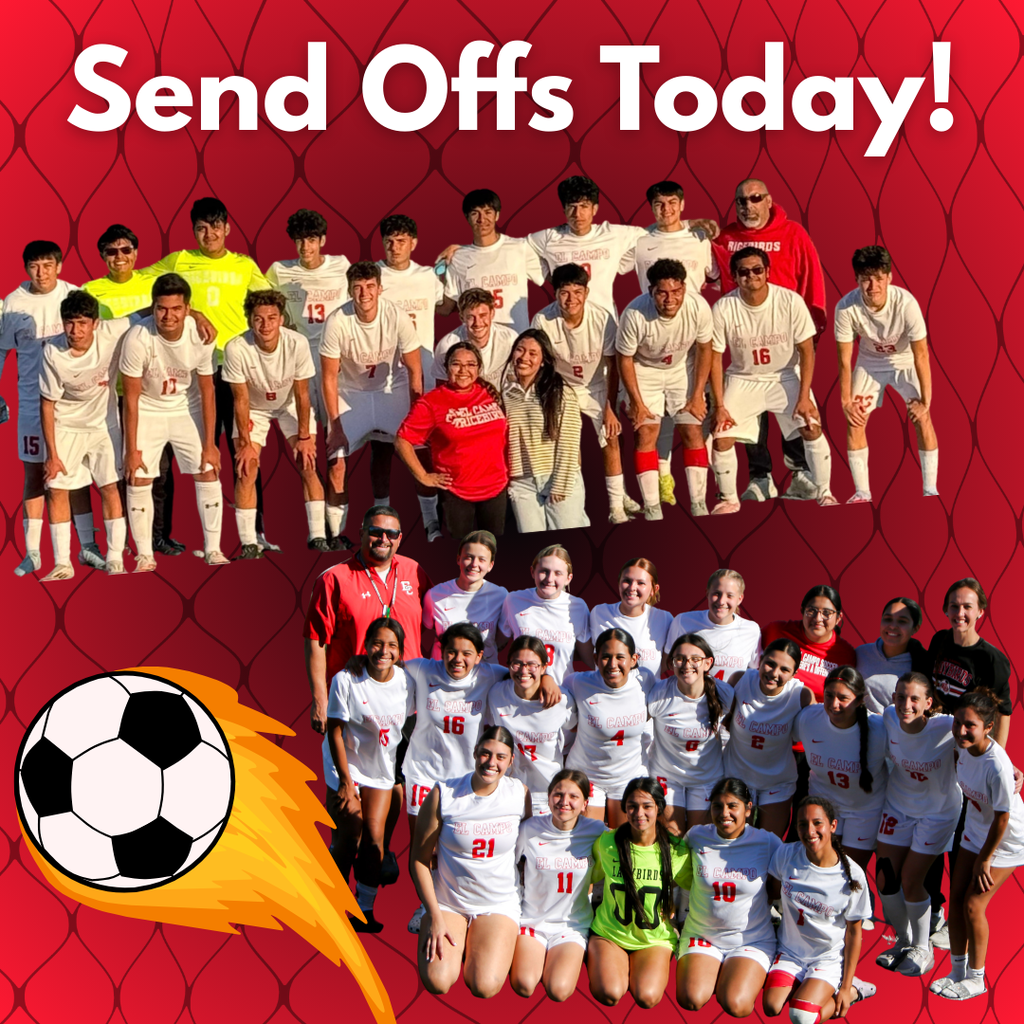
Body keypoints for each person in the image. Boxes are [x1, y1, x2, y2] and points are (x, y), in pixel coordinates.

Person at [402, 626, 557, 935]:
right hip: (424, 772)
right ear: (440, 650)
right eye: (451, 651)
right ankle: (428, 904)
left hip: (466, 775)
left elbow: (524, 672)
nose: (457, 659)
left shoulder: (489, 674)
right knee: (426, 847)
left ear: (480, 656)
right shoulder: (421, 668)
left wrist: (548, 677)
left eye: (466, 653)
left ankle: (505, 906)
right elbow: (387, 664)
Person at [145, 198, 278, 550]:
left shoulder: (244, 265)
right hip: (187, 372)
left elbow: (272, 301)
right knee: (174, 453)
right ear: (193, 231)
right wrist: (196, 312)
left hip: (233, 372)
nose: (209, 234)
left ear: (228, 228)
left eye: (216, 226)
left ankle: (254, 534)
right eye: (201, 228)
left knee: (243, 449)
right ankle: (161, 535)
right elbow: (138, 287)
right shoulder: (178, 260)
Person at [711, 178, 826, 504]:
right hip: (743, 334)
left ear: (769, 201)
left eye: (755, 198)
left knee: (797, 410)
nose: (748, 206)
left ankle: (800, 473)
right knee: (747, 414)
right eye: (741, 201)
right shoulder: (727, 237)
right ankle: (760, 477)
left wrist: (813, 326)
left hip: (787, 333)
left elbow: (812, 276)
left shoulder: (794, 234)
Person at [83, 224, 184, 557]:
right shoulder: (90, 291)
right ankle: (124, 539)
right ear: (102, 256)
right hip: (112, 393)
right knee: (120, 468)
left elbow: (175, 309)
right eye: (111, 251)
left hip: (155, 393)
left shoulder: (152, 284)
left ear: (137, 253)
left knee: (162, 471)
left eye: (126, 250)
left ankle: (159, 536)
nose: (119, 257)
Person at [2, 240, 101, 577]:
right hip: (32, 404)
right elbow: (2, 352)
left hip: (74, 407)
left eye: (47, 264)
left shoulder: (74, 295)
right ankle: (33, 553)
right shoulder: (13, 304)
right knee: (34, 475)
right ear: (26, 267)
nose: (41, 272)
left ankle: (87, 546)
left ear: (59, 265)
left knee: (76, 478)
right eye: (34, 265)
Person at [411, 725, 530, 998]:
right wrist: (435, 916)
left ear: (511, 761)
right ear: (475, 753)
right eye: (485, 754)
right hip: (449, 902)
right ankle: (457, 939)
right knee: (438, 982)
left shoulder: (519, 794)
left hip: (497, 901)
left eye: (501, 757)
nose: (491, 763)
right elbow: (418, 860)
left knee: (484, 986)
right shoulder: (445, 794)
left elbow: (525, 852)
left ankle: (477, 944)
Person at [119, 273, 226, 570]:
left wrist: (210, 444)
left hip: (185, 408)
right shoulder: (137, 338)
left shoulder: (200, 334)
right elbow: (130, 397)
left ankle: (213, 549)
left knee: (207, 469)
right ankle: (144, 554)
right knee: (139, 474)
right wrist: (132, 449)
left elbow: (207, 391)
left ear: (188, 309)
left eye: (176, 309)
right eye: (162, 308)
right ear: (153, 307)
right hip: (149, 408)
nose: (168, 316)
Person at [319, 261, 423, 543]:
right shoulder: (337, 320)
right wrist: (335, 426)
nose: (364, 293)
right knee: (336, 459)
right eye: (357, 288)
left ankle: (432, 524)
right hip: (352, 392)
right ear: (350, 290)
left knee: (419, 450)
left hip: (392, 388)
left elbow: (414, 369)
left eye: (369, 287)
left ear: (380, 288)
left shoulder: (397, 315)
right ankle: (337, 534)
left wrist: (417, 415)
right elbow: (329, 377)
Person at [930, 690, 1024, 1001]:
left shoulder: (996, 765)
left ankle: (978, 978)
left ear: (988, 727)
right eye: (958, 722)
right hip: (975, 827)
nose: (960, 730)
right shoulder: (962, 749)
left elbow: (1002, 818)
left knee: (973, 905)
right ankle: (957, 973)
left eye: (970, 725)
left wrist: (985, 859)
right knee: (956, 900)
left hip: (1005, 839)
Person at [304, 505, 431, 733]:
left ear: (399, 538)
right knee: (355, 770)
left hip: (408, 701)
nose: (384, 539)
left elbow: (439, 626)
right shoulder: (334, 579)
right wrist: (320, 700)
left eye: (391, 534)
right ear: (361, 532)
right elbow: (316, 642)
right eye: (375, 531)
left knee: (408, 769)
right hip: (356, 700)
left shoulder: (414, 571)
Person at [633, 180, 722, 507]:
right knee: (653, 427)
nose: (666, 210)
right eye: (659, 204)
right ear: (651, 207)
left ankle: (700, 496)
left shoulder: (699, 239)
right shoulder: (639, 241)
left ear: (682, 205)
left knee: (693, 421)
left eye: (672, 203)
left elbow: (716, 275)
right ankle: (662, 484)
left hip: (690, 342)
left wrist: (693, 225)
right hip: (650, 342)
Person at [531, 263, 639, 523]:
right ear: (555, 294)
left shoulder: (603, 318)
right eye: (564, 292)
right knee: (568, 442)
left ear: (587, 293)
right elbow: (541, 366)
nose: (571, 299)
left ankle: (616, 506)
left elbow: (613, 366)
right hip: (562, 387)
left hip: (598, 385)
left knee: (610, 437)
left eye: (577, 292)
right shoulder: (542, 319)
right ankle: (573, 504)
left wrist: (610, 408)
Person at [324, 617, 412, 932]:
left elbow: (414, 721)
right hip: (346, 766)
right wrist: (346, 783)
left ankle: (364, 910)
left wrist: (403, 772)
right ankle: (331, 901)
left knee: (374, 841)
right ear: (366, 645)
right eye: (377, 643)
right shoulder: (346, 680)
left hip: (382, 769)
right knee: (349, 836)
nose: (383, 651)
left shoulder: (406, 681)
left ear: (400, 651)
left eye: (391, 645)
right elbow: (335, 730)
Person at [223, 289, 326, 557]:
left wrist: (304, 437)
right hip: (254, 409)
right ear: (249, 320)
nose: (265, 325)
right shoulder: (236, 348)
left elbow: (303, 394)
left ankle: (317, 536)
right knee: (247, 468)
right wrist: (245, 445)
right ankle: (248, 543)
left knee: (308, 462)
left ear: (281, 319)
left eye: (271, 317)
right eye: (258, 319)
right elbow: (241, 400)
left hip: (289, 403)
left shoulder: (298, 343)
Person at [38, 290, 133, 578]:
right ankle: (63, 563)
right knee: (56, 490)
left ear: (95, 324)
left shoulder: (113, 330)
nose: (75, 330)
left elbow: (151, 310)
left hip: (104, 425)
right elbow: (47, 404)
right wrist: (52, 456)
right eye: (69, 323)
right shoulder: (52, 352)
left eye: (81, 323)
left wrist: (197, 315)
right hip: (66, 425)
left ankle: (115, 558)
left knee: (109, 488)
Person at [836, 246, 938, 502]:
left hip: (904, 361)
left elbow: (922, 355)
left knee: (922, 418)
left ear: (889, 278)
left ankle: (930, 489)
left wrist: (926, 402)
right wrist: (846, 400)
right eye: (866, 279)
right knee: (855, 418)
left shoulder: (906, 304)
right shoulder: (845, 307)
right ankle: (862, 492)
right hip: (870, 362)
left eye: (879, 278)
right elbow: (844, 360)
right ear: (857, 279)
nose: (873, 286)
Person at [874, 672, 960, 978]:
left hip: (937, 812)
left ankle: (923, 948)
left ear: (929, 703)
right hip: (898, 805)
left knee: (912, 880)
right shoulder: (887, 717)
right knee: (884, 877)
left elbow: (981, 741)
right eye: (900, 696)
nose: (905, 704)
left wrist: (1012, 769)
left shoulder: (946, 726)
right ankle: (904, 941)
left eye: (914, 699)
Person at [617, 258, 714, 519]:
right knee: (646, 432)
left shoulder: (698, 306)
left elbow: (706, 348)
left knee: (693, 429)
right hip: (644, 370)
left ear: (684, 288)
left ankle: (698, 504)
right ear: (651, 291)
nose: (670, 299)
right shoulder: (634, 313)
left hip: (681, 368)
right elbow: (624, 358)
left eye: (676, 291)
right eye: (662, 292)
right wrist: (636, 402)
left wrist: (697, 395)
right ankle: (652, 507)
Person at [676, 777, 782, 1017]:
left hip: (751, 939)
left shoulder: (767, 842)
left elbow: (795, 870)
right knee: (691, 998)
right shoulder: (696, 836)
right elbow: (681, 877)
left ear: (748, 809)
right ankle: (713, 970)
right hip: (702, 936)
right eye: (717, 806)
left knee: (736, 1004)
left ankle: (734, 973)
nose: (724, 813)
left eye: (732, 805)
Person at [764, 797, 875, 1021]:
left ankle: (854, 990)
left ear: (833, 826)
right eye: (803, 824)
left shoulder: (853, 876)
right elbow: (772, 893)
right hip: (790, 952)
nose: (809, 831)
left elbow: (854, 933)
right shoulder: (786, 855)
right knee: (771, 1007)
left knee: (801, 1017)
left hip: (827, 959)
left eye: (817, 823)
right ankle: (810, 990)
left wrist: (844, 987)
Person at [587, 777, 691, 1009]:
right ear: (624, 808)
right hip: (610, 933)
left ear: (659, 809)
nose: (638, 813)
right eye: (632, 806)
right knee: (609, 993)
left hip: (653, 939)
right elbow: (586, 878)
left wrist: (683, 922)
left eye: (647, 806)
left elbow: (698, 888)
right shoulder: (607, 842)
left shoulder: (676, 849)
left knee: (648, 997)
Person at [377, 214, 449, 540]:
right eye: (389, 241)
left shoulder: (427, 276)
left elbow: (447, 306)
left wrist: (449, 265)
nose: (395, 247)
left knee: (423, 448)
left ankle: (431, 522)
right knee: (381, 449)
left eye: (402, 240)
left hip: (424, 372)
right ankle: (379, 517)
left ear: (414, 243)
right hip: (383, 376)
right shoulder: (374, 276)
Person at [512, 768, 607, 1001]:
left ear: (585, 803)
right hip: (533, 921)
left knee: (559, 990)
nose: (564, 802)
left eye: (573, 797)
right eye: (558, 794)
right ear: (548, 796)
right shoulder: (530, 829)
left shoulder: (596, 832)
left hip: (571, 926)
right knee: (524, 984)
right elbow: (508, 866)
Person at [395, 342, 508, 537]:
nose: (464, 370)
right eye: (456, 364)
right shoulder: (431, 402)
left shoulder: (490, 394)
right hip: (457, 494)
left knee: (493, 553)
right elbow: (402, 441)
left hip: (496, 489)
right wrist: (423, 476)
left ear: (479, 368)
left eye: (471, 364)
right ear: (446, 368)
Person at [795, 667, 886, 874]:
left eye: (843, 698)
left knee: (848, 874)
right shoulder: (809, 719)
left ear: (860, 700)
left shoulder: (879, 729)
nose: (834, 704)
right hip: (824, 806)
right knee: (820, 869)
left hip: (864, 811)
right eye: (829, 695)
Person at [265, 208, 350, 431]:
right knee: (304, 428)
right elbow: (262, 302)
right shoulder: (279, 270)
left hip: (333, 354)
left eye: (311, 240)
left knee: (337, 426)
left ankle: (337, 466)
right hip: (299, 355)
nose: (305, 247)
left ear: (322, 240)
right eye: (300, 240)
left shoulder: (341, 265)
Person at [565, 629, 657, 828]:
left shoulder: (645, 680)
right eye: (606, 657)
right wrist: (546, 679)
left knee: (623, 843)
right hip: (587, 776)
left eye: (620, 657)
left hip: (628, 776)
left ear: (634, 659)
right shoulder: (579, 682)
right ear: (596, 658)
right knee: (588, 842)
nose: (612, 664)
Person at [722, 639, 814, 838]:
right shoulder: (740, 680)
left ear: (794, 673)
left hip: (777, 782)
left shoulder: (801, 696)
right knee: (732, 845)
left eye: (784, 669)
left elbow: (818, 737)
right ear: (760, 660)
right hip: (736, 776)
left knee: (768, 847)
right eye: (770, 664)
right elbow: (722, 722)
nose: (774, 673)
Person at [503, 328, 589, 532]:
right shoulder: (506, 394)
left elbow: (569, 440)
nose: (524, 357)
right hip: (522, 484)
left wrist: (560, 483)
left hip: (558, 478)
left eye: (533, 353)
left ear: (543, 361)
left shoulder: (560, 392)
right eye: (520, 350)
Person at [648, 634, 732, 834]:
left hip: (706, 778)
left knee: (698, 839)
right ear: (671, 662)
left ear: (708, 663)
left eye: (695, 659)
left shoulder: (724, 694)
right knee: (672, 839)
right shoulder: (659, 694)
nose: (687, 665)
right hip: (667, 777)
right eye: (680, 659)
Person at [527, 176, 644, 312]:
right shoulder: (550, 238)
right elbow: (519, 250)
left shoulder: (613, 234)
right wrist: (549, 276)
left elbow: (650, 237)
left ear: (595, 209)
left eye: (584, 206)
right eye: (572, 207)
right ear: (564, 210)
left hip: (605, 320)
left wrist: (621, 263)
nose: (577, 214)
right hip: (564, 318)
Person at [489, 637, 573, 814]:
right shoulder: (496, 694)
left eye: (532, 665)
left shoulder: (561, 701)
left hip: (549, 796)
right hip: (507, 792)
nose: (524, 670)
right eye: (517, 664)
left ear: (544, 667)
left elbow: (577, 729)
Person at [442, 188, 545, 333]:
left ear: (497, 215)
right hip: (478, 345)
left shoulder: (520, 248)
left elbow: (552, 279)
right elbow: (445, 308)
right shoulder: (458, 258)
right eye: (474, 213)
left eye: (487, 212)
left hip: (517, 342)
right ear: (466, 217)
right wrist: (438, 267)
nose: (481, 219)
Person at [928, 578, 1012, 745]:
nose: (960, 613)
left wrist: (997, 756)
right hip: (935, 737)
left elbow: (1003, 712)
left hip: (966, 741)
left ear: (980, 611)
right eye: (954, 606)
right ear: (946, 610)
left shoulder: (992, 659)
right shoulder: (939, 640)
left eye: (967, 607)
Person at [498, 544, 594, 685]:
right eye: (544, 571)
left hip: (563, 695)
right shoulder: (513, 600)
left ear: (569, 578)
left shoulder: (578, 607)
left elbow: (589, 658)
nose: (549, 578)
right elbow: (495, 645)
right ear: (532, 572)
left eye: (558, 573)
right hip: (523, 693)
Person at [422, 531, 508, 663]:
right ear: (458, 559)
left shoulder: (501, 596)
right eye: (469, 557)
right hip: (442, 676)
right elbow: (425, 631)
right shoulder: (435, 595)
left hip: (484, 677)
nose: (474, 564)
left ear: (490, 566)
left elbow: (503, 637)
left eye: (482, 559)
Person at [666, 568, 761, 685]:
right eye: (717, 594)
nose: (721, 601)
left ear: (740, 599)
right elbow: (667, 663)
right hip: (691, 701)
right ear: (707, 593)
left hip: (731, 702)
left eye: (730, 596)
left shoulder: (751, 630)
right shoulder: (683, 621)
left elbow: (754, 673)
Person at [763, 586, 857, 703]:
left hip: (813, 717)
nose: (818, 618)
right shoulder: (775, 631)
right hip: (768, 708)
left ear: (838, 618)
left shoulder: (846, 654)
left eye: (827, 613)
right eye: (811, 611)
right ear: (802, 611)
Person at [589, 558, 673, 678]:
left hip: (649, 696)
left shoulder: (664, 619)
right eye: (627, 581)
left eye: (641, 583)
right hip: (606, 695)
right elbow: (587, 653)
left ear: (654, 590)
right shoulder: (599, 613)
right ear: (619, 583)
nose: (632, 587)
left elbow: (667, 662)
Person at [431, 288, 518, 389]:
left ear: (492, 314)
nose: (478, 323)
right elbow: (441, 388)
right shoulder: (447, 346)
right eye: (471, 317)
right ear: (461, 317)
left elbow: (518, 379)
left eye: (483, 315)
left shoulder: (510, 339)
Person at [855, 597, 929, 713]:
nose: (893, 626)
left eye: (902, 621)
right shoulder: (861, 653)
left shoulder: (922, 665)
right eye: (888, 619)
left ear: (915, 628)